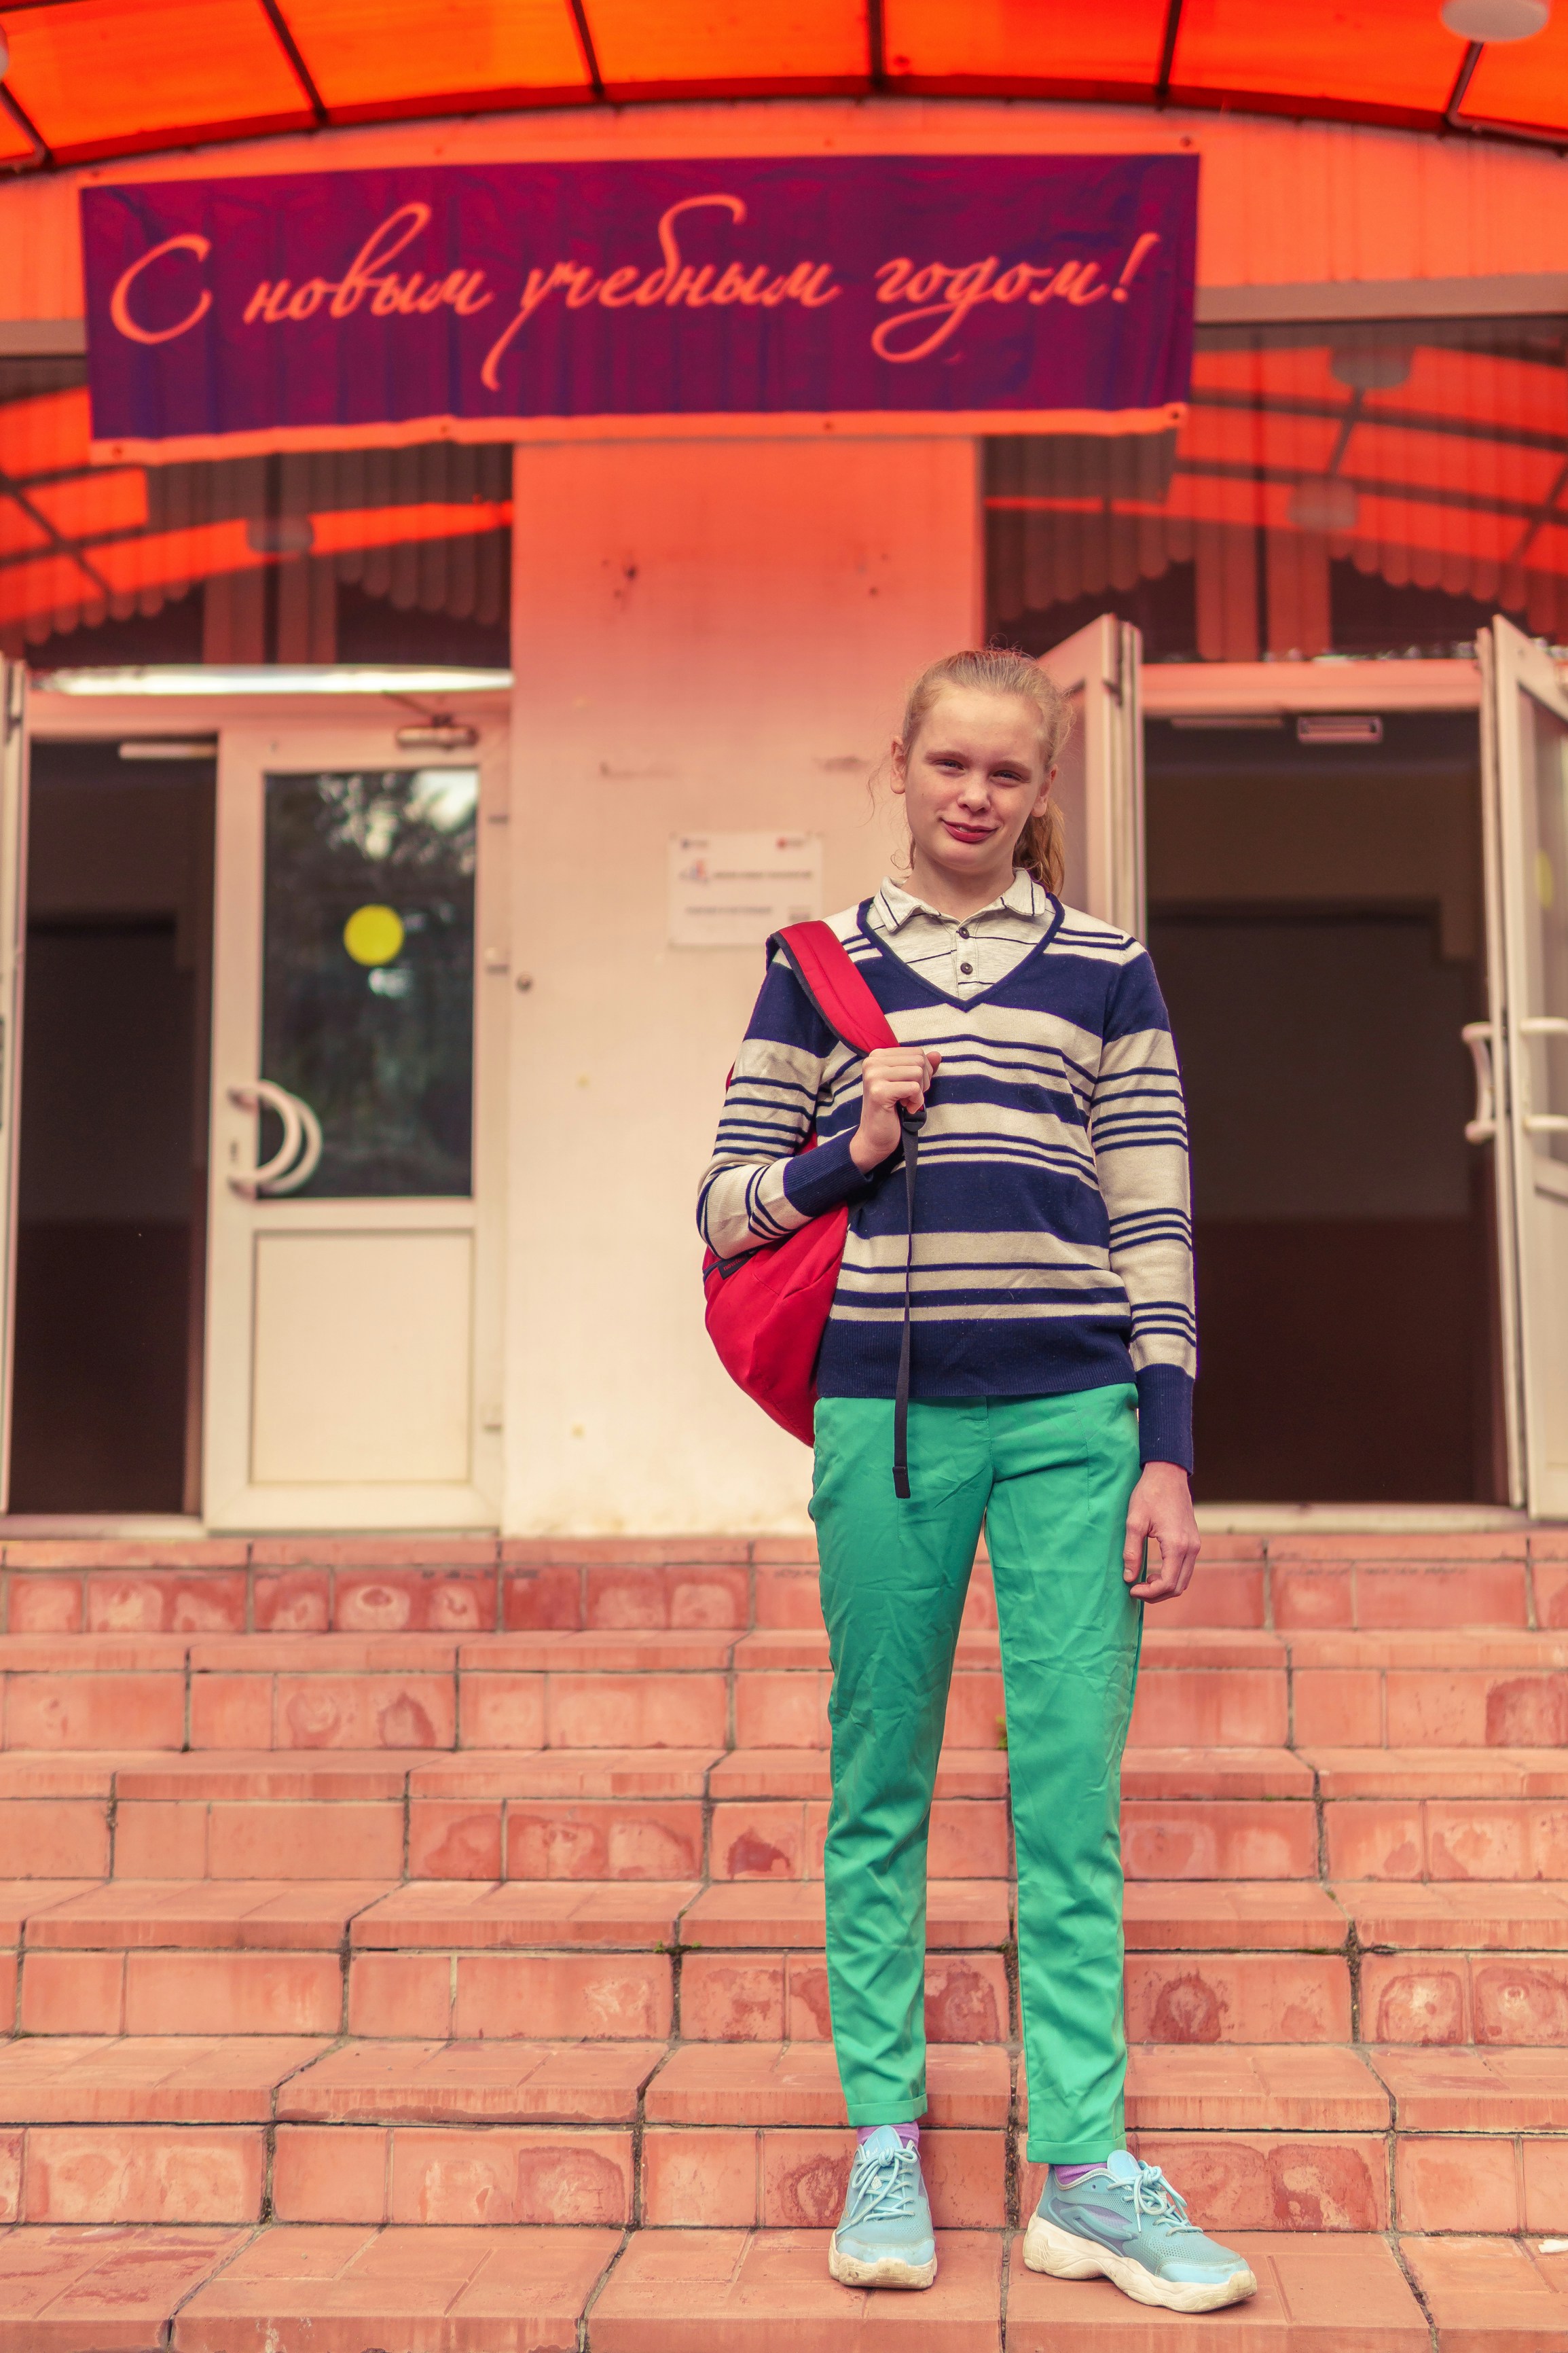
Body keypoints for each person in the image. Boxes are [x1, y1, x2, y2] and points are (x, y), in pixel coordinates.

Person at [696, 647, 1254, 2316]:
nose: (976, 796)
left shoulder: (1108, 971)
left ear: (1042, 791)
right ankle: (887, 2139)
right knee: (881, 1784)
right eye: (951, 763)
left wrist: (1169, 1446)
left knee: (1067, 1795)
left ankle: (1081, 2173)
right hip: (890, 1418)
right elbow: (727, 1211)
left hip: (1080, 1418)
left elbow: (1152, 1218)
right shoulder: (816, 971)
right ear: (901, 762)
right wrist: (848, 1148)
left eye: (1009, 775)